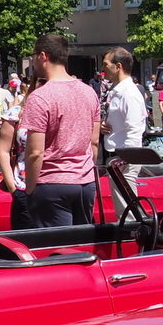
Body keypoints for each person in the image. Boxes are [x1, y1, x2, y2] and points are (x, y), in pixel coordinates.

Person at [18, 33, 102, 227]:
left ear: (43, 56)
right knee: (81, 246)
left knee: (56, 250)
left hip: (52, 182)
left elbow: (35, 152)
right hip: (84, 182)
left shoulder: (40, 97)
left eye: (33, 55)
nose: (33, 60)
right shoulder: (89, 92)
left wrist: (30, 189)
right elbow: (94, 142)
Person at [0, 72, 42, 226]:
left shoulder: (62, 111)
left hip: (55, 187)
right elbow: (3, 150)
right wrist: (13, 189)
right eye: (40, 82)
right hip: (23, 188)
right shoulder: (16, 115)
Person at [100, 47, 147, 180]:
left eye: (106, 64)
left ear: (118, 66)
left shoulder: (129, 94)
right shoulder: (118, 92)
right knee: (120, 200)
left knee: (125, 200)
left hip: (125, 160)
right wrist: (104, 126)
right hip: (118, 158)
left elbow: (134, 130)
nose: (103, 69)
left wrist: (126, 161)